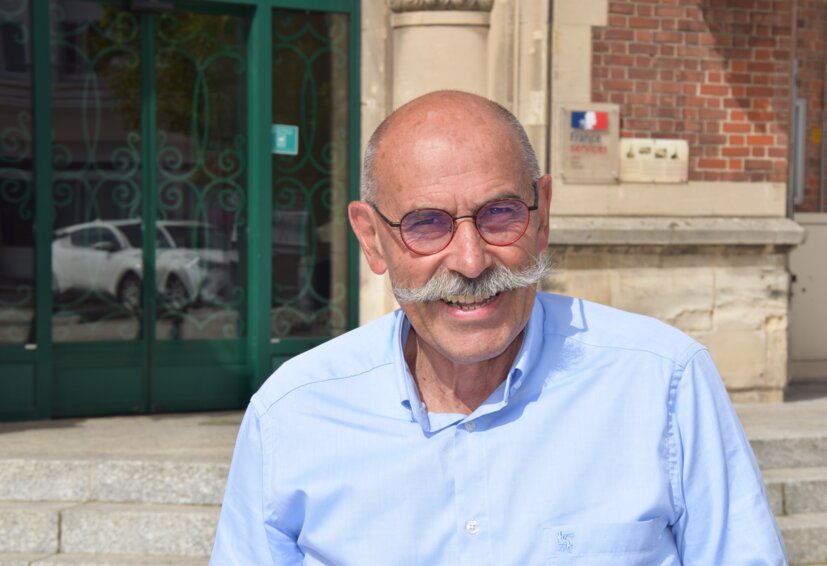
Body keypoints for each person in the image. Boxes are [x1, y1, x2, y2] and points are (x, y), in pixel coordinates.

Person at [211, 90, 787, 565]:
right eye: (426, 224)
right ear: (371, 238)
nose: (470, 259)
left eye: (499, 214)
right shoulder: (293, 415)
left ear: (542, 216)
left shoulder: (663, 384)